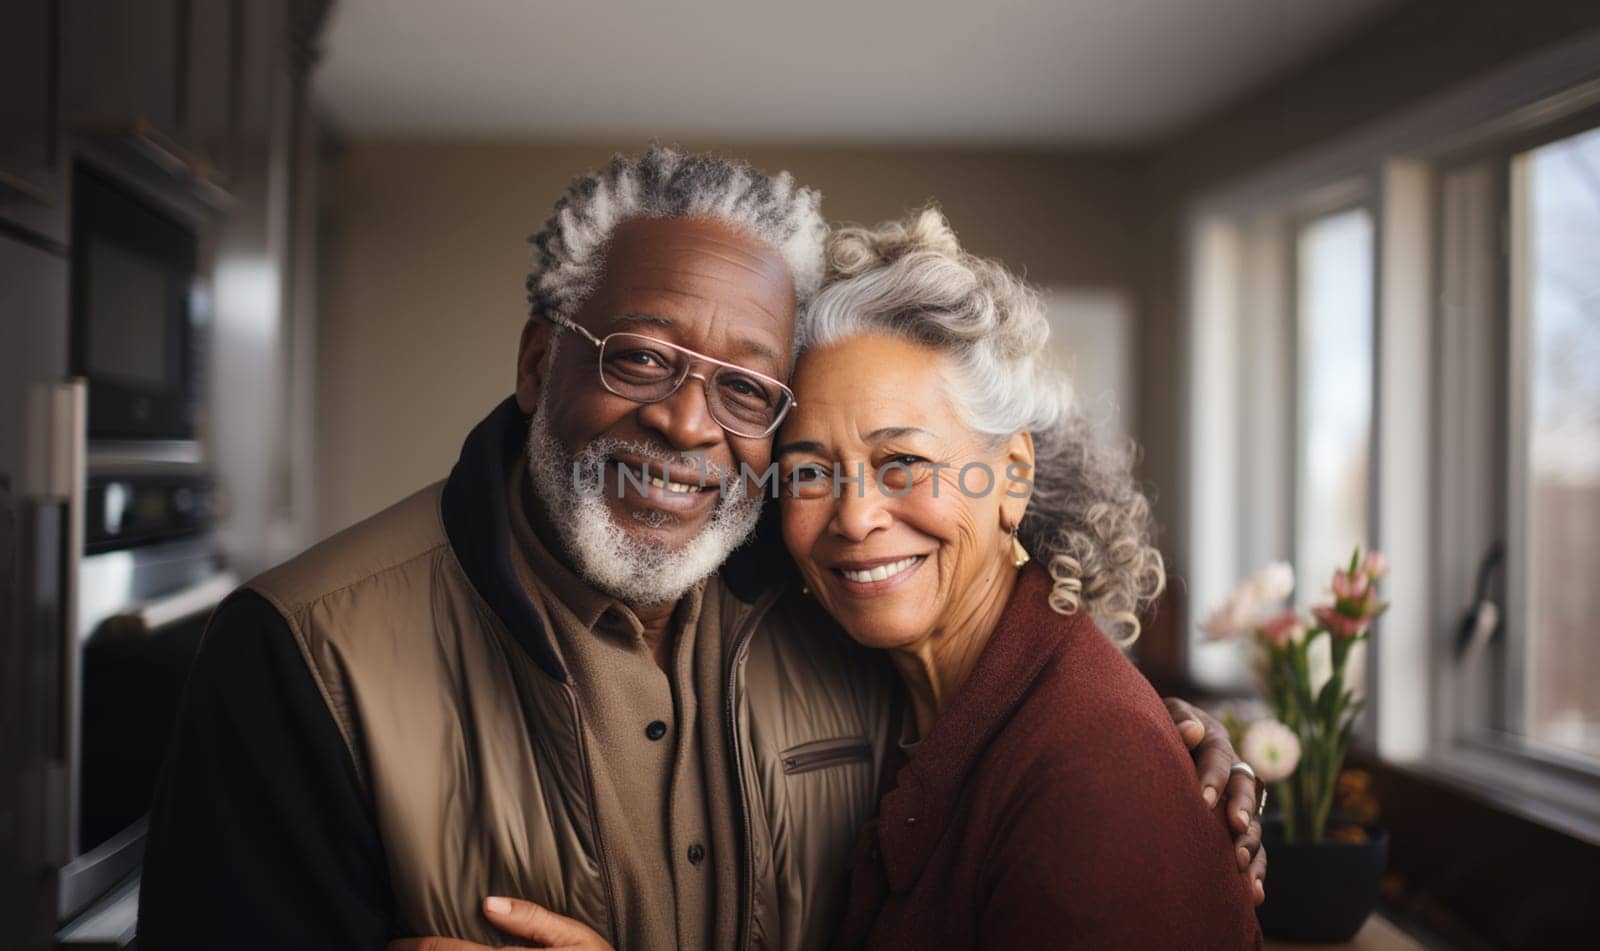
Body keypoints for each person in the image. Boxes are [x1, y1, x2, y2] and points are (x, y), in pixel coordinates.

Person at [136, 147, 1265, 951]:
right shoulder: (299, 656)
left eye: (744, 389)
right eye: (638, 357)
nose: (685, 423)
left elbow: (1025, 751)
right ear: (539, 364)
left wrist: (1156, 768)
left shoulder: (833, 603)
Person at [772, 208, 1262, 948]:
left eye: (901, 461)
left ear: (1014, 476)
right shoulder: (904, 696)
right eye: (809, 470)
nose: (854, 515)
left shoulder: (1092, 774)